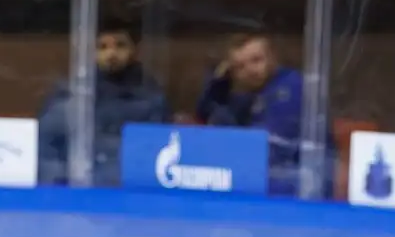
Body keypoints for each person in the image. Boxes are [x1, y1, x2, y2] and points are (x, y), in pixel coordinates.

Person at [37, 18, 171, 187]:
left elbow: (153, 154)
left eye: (120, 45)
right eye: (102, 47)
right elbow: (48, 148)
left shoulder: (150, 97)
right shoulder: (70, 92)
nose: (111, 54)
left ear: (135, 50)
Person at [194, 32, 305, 196]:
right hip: (265, 183)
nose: (250, 70)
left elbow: (269, 150)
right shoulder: (254, 93)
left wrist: (223, 122)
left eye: (256, 60)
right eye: (240, 67)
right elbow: (204, 112)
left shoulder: (290, 88)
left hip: (291, 190)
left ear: (273, 57)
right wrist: (220, 83)